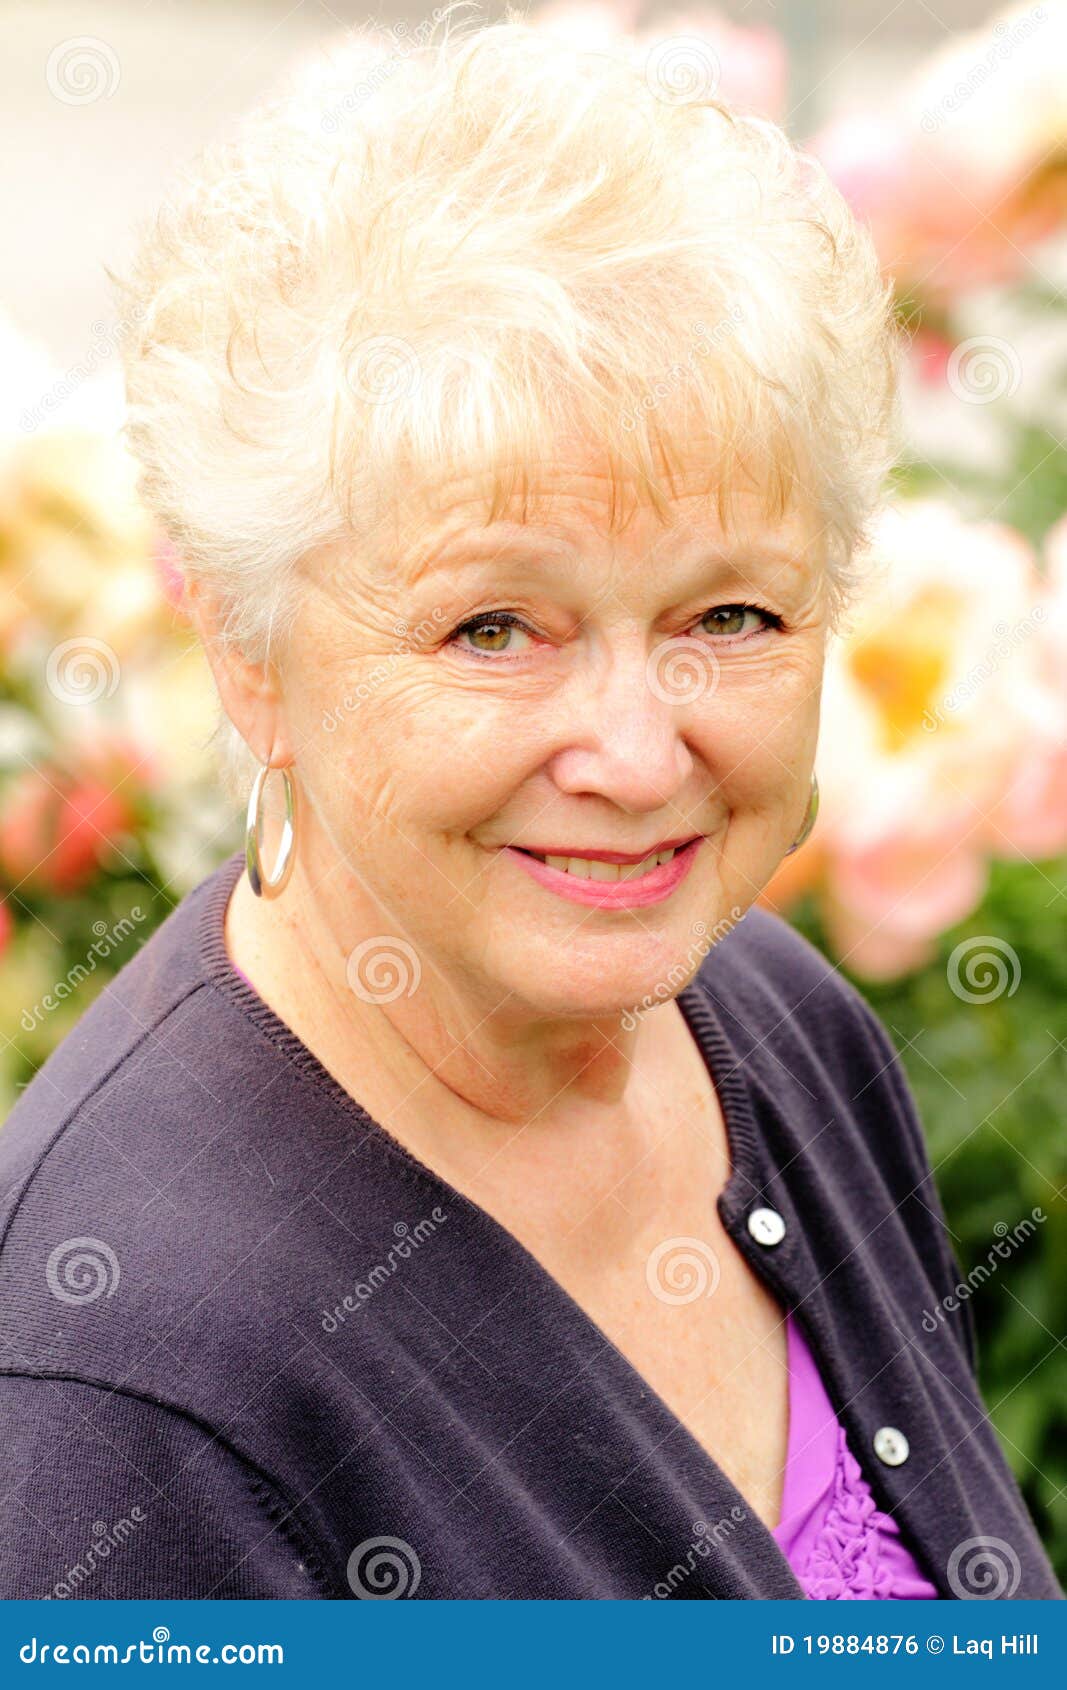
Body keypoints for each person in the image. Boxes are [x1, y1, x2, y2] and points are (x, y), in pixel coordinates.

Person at [0, 9, 1060, 1601]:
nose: (637, 758)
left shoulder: (775, 1024)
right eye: (494, 628)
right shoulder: (137, 1383)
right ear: (249, 652)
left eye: (731, 617)